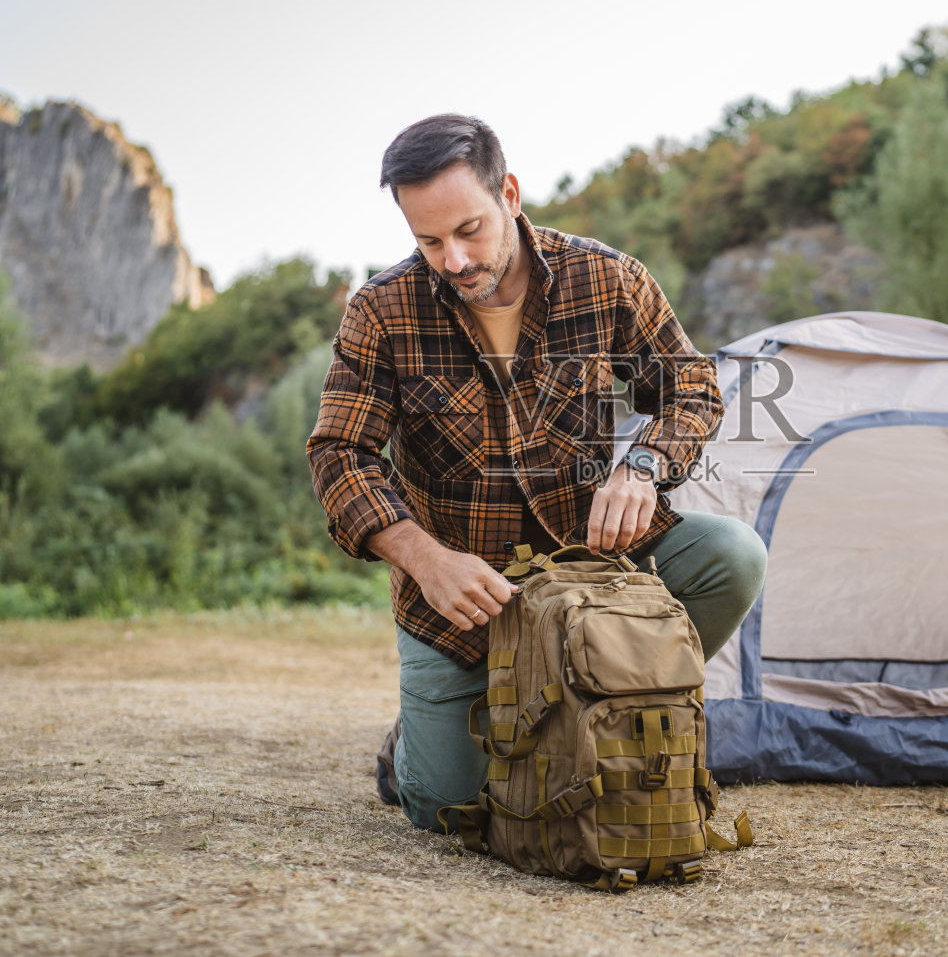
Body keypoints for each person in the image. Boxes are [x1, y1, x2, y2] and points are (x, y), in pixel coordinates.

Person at [307, 114, 767, 830]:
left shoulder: (606, 277)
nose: (454, 260)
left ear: (510, 194)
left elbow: (693, 388)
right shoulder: (380, 311)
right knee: (446, 808)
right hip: (465, 600)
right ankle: (414, 750)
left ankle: (604, 698)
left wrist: (643, 466)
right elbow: (340, 453)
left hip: (595, 566)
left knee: (732, 557)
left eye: (469, 229)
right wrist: (424, 560)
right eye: (428, 241)